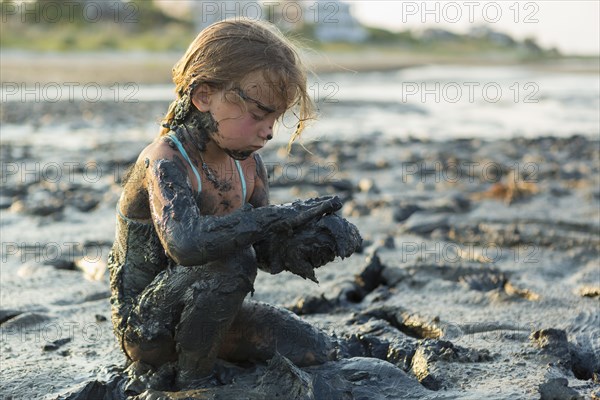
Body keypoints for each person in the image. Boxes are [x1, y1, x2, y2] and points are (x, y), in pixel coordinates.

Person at [107, 19, 361, 390]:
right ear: (204, 96)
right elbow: (186, 244)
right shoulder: (164, 161)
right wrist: (279, 217)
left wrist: (308, 239)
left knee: (315, 349)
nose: (269, 130)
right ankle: (195, 381)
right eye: (259, 114)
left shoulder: (249, 164)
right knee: (230, 259)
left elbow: (262, 252)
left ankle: (202, 358)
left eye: (276, 118)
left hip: (209, 314)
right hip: (148, 326)